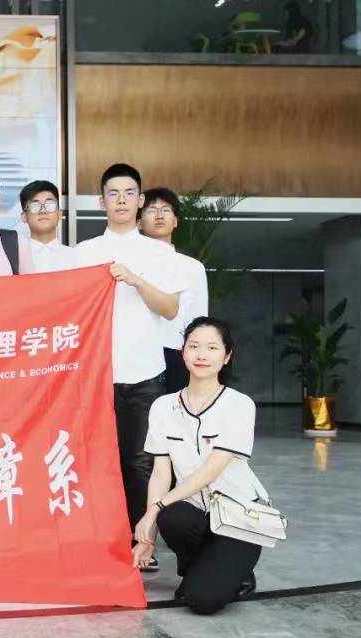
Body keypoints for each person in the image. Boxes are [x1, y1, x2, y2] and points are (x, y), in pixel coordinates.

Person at [73, 163, 187, 572]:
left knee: (141, 463)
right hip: (95, 373)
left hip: (144, 373)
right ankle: (100, 540)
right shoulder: (83, 252)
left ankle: (142, 543)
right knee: (95, 461)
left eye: (128, 193)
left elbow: (170, 309)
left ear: (140, 200)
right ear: (100, 201)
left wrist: (137, 281)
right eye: (113, 193)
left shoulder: (160, 253)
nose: (120, 200)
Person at [133, 317, 262, 614]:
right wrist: (149, 534)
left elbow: (211, 472)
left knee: (203, 602)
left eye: (212, 348)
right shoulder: (163, 407)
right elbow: (161, 472)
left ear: (227, 356)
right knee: (172, 517)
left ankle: (237, 571)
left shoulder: (239, 405)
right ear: (183, 353)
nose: (201, 354)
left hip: (237, 516)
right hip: (193, 511)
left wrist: (154, 508)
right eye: (194, 346)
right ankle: (198, 571)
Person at [139, 187, 209, 393]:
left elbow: (199, 316)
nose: (159, 215)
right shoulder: (131, 264)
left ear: (176, 221)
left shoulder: (193, 267)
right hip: (139, 353)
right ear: (139, 222)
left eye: (166, 210)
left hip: (178, 352)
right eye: (151, 210)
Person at [19, 179, 78, 273]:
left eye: (49, 205)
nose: (43, 211)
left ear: (59, 213)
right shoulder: (15, 260)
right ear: (24, 216)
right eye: (35, 206)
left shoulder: (76, 258)